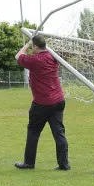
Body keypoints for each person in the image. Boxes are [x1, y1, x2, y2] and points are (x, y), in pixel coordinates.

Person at [14, 35, 70, 170]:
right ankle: (64, 164)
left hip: (42, 103)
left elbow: (18, 56)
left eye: (33, 46)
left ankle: (29, 163)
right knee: (59, 132)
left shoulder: (35, 59)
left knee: (33, 131)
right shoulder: (53, 57)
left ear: (35, 47)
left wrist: (27, 45)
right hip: (58, 100)